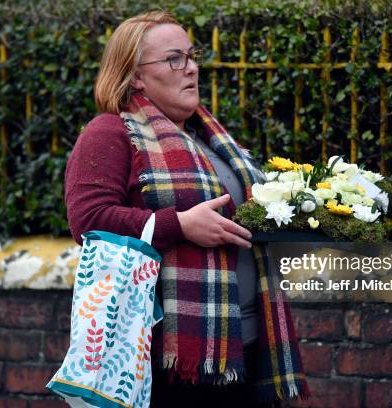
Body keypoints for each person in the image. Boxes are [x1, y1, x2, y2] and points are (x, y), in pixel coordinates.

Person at [64, 10, 310, 407]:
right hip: (168, 355)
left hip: (245, 345)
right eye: (173, 59)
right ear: (136, 76)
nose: (191, 68)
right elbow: (88, 221)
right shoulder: (110, 131)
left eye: (191, 56)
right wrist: (179, 224)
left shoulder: (209, 137)